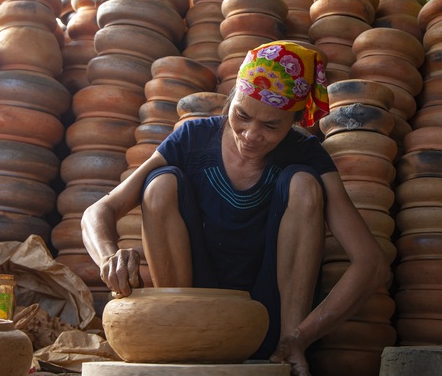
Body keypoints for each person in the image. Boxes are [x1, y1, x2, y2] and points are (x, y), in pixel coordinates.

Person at [81, 40, 388, 375]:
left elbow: (371, 264)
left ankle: (285, 348)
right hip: (195, 321)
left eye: (271, 126)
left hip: (266, 320)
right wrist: (110, 257)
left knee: (303, 183)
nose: (251, 134)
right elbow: (99, 211)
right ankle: (179, 330)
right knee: (160, 183)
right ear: (232, 97)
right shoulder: (192, 138)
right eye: (242, 115)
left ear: (295, 121)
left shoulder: (306, 152)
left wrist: (302, 336)